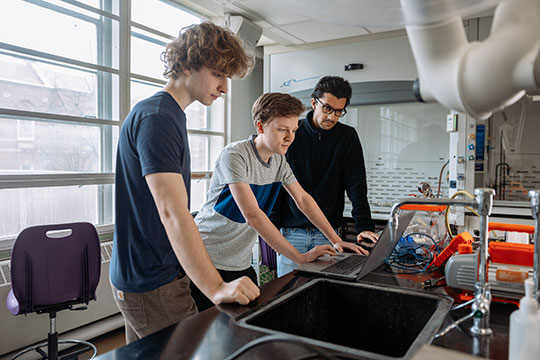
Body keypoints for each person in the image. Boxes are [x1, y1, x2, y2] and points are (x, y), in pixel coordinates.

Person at [109, 22, 260, 344]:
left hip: (144, 274)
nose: (224, 88)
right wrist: (216, 287)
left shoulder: (166, 115)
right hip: (154, 279)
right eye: (219, 74)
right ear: (188, 64)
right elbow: (172, 212)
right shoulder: (158, 118)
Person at [190, 92, 365, 311]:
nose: (290, 137)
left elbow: (303, 199)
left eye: (293, 130)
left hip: (239, 263)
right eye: (282, 130)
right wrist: (300, 257)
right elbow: (252, 215)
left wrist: (335, 239)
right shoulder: (235, 155)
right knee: (206, 333)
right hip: (207, 258)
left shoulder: (278, 161)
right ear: (261, 126)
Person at [273, 76, 379, 277]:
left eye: (339, 111)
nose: (332, 117)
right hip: (292, 233)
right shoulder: (293, 134)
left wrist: (364, 226)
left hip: (328, 235)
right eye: (328, 109)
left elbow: (356, 185)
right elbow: (276, 183)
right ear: (314, 103)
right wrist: (274, 229)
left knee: (322, 294)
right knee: (287, 294)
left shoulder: (347, 137)